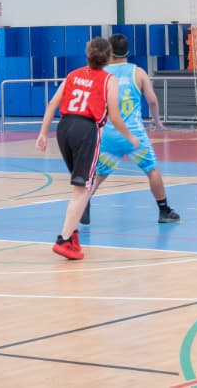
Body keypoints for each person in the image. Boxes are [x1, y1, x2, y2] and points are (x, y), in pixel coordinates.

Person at [36, 37, 135, 260]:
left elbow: (52, 103)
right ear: (109, 57)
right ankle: (63, 239)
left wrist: (43, 133)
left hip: (64, 128)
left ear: (87, 54)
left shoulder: (73, 74)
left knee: (80, 184)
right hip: (85, 129)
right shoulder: (109, 79)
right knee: (83, 189)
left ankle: (73, 236)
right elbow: (115, 116)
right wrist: (130, 137)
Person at [83, 33, 180, 227]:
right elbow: (152, 100)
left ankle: (84, 203)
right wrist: (157, 122)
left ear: (109, 51)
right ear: (128, 51)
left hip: (109, 134)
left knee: (99, 174)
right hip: (133, 134)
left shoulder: (101, 73)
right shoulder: (138, 72)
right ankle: (164, 210)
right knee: (151, 170)